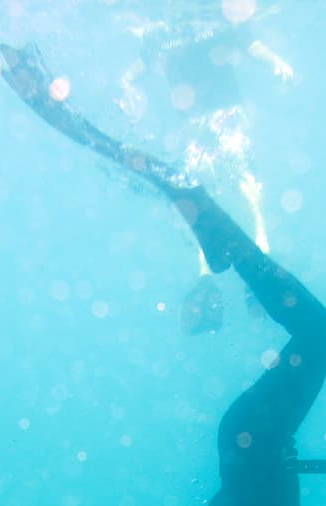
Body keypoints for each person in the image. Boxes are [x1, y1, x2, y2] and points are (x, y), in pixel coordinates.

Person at [0, 43, 326, 506]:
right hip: (250, 440)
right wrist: (269, 465)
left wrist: (268, 463)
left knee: (319, 336)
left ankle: (224, 240)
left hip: (256, 439)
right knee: (318, 335)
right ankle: (222, 240)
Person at [114, 13, 295, 334]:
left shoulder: (195, 22)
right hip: (204, 122)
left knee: (209, 189)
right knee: (234, 184)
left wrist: (275, 61)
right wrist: (125, 81)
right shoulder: (168, 29)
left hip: (212, 119)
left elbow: (249, 43)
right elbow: (143, 62)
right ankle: (223, 265)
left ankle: (220, 265)